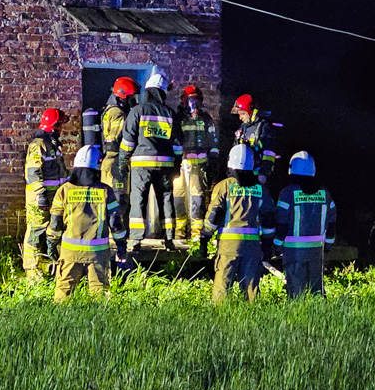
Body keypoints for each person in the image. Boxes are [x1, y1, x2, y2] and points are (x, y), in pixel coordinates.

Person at [46, 145, 127, 302]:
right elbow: (115, 223)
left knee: (63, 292)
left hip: (70, 253)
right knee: (99, 293)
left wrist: (51, 245)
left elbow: (55, 223)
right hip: (97, 253)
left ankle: (60, 324)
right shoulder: (106, 191)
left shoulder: (64, 190)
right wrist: (121, 246)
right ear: (97, 167)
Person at [118, 67, 183, 259]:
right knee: (166, 199)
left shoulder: (137, 111)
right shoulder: (170, 113)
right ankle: (169, 239)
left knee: (138, 200)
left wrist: (122, 162)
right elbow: (178, 145)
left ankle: (136, 240)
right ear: (162, 93)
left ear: (147, 91)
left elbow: (128, 141)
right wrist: (176, 166)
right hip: (165, 166)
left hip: (141, 166)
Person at [201, 144, 275, 303]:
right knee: (250, 290)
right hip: (252, 246)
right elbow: (268, 218)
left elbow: (213, 217)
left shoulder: (224, 186)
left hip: (228, 246)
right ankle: (251, 318)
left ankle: (221, 318)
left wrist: (204, 238)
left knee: (223, 285)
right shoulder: (260, 189)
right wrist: (268, 245)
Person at [274, 151, 336, 298]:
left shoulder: (287, 193)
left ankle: (298, 319)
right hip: (317, 251)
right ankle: (321, 317)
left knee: (296, 293)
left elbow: (282, 222)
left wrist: (276, 246)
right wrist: (328, 245)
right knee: (317, 291)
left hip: (294, 251)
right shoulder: (324, 193)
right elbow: (332, 222)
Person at [23, 108, 69, 278]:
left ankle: (49, 268)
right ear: (53, 126)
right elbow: (33, 173)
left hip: (54, 197)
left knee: (52, 230)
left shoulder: (53, 144)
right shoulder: (38, 145)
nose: (62, 129)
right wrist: (41, 195)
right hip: (40, 199)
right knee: (36, 232)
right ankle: (31, 272)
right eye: (60, 125)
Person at [173, 85, 219, 239]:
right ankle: (179, 232)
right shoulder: (179, 118)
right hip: (181, 164)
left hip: (199, 166)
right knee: (178, 195)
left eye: (196, 100)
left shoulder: (206, 119)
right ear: (185, 101)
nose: (194, 104)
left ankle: (196, 233)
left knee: (196, 197)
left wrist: (212, 162)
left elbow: (213, 142)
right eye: (191, 100)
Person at [101, 76, 140, 225]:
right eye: (131, 97)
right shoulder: (118, 113)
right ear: (123, 97)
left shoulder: (110, 110)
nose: (134, 101)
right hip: (116, 161)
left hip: (110, 161)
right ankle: (118, 237)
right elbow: (121, 139)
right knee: (119, 201)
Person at [231, 94, 277, 184]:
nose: (240, 118)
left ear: (252, 112)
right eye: (239, 114)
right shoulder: (242, 128)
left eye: (243, 114)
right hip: (242, 175)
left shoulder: (264, 127)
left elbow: (269, 153)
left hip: (257, 177)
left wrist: (263, 173)